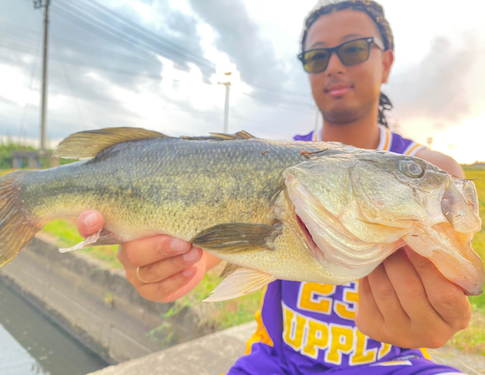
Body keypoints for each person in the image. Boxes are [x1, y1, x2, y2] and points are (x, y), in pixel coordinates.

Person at [77, 1, 470, 373]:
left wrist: (439, 317)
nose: (333, 66)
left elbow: (459, 280)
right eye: (317, 57)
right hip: (276, 361)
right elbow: (210, 253)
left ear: (386, 63)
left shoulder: (435, 170)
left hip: (391, 364)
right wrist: (172, 270)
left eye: (352, 50)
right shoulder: (266, 159)